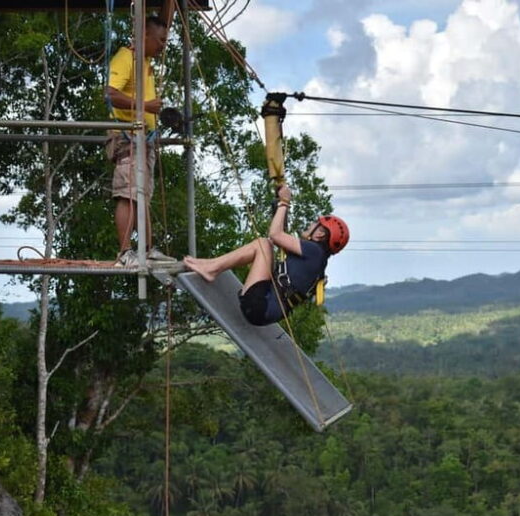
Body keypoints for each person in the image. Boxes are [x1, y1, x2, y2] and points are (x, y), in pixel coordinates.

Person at [183, 185, 350, 326]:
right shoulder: (317, 259)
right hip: (263, 308)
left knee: (263, 244)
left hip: (259, 306)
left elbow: (275, 235)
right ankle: (210, 265)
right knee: (266, 245)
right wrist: (279, 207)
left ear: (320, 234)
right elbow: (278, 239)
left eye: (315, 223)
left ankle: (211, 269)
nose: (310, 224)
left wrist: (284, 202)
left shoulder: (314, 251)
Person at [105, 4, 176, 266]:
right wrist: (145, 106)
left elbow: (165, 20)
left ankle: (147, 249)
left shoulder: (144, 59)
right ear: (144, 35)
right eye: (160, 41)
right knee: (127, 193)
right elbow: (110, 94)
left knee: (141, 193)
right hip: (128, 138)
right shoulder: (127, 57)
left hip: (143, 139)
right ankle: (125, 254)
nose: (163, 46)